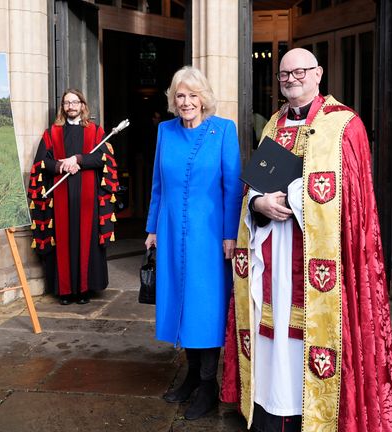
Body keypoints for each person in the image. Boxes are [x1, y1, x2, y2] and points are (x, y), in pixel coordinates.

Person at [221, 48, 392, 432]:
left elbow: (353, 199)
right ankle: (272, 406)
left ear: (318, 74)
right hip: (273, 252)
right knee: (274, 327)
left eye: (299, 71)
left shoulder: (344, 125)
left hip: (319, 260)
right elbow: (255, 185)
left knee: (306, 331)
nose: (291, 79)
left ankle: (316, 413)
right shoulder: (273, 124)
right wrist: (258, 203)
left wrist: (295, 198)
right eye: (284, 74)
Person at [145, 66, 242, 420]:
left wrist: (230, 234)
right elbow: (158, 182)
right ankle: (189, 375)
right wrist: (153, 226)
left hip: (209, 236)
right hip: (171, 232)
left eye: (192, 95)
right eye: (180, 95)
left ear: (204, 98)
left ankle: (207, 386)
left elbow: (233, 187)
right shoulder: (165, 131)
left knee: (206, 308)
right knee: (180, 304)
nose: (186, 102)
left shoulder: (223, 131)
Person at [27, 89, 119, 305]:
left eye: (75, 102)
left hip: (88, 197)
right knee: (63, 240)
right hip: (60, 196)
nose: (71, 106)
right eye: (67, 103)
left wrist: (78, 159)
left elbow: (102, 159)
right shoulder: (52, 133)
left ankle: (84, 289)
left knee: (86, 239)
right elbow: (41, 163)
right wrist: (61, 165)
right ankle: (65, 290)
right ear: (62, 107)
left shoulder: (96, 132)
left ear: (82, 105)